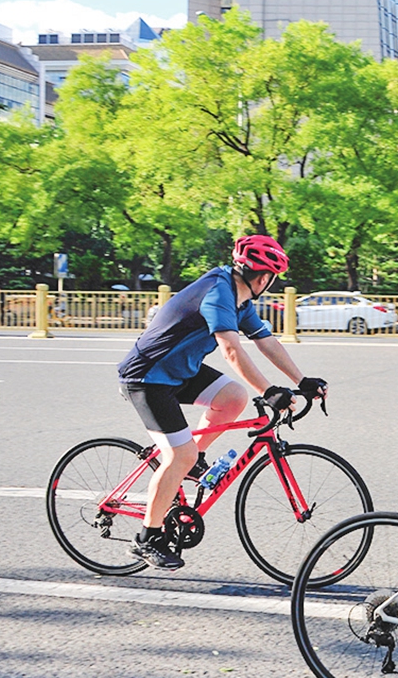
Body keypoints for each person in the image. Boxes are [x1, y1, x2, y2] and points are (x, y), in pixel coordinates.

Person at [117, 235, 327, 571]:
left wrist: (301, 381)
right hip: (148, 377)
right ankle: (147, 539)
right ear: (264, 278)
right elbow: (231, 350)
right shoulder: (218, 292)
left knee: (234, 397)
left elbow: (266, 342)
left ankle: (192, 459)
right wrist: (270, 390)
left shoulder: (240, 299)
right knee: (178, 455)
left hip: (178, 371)